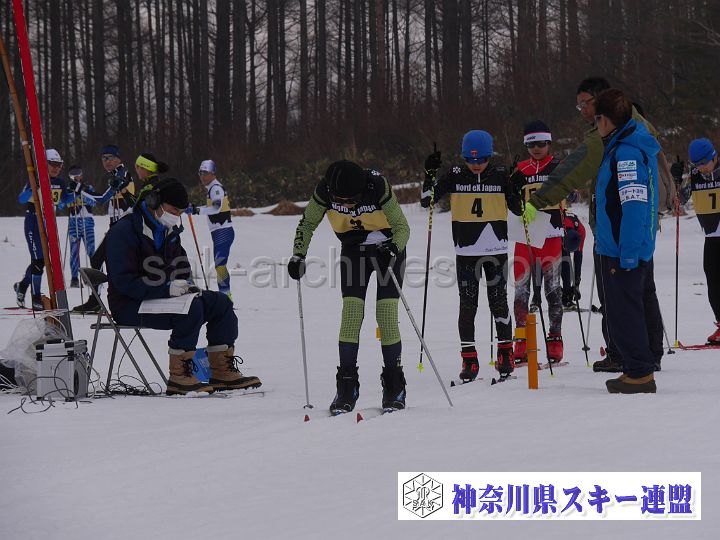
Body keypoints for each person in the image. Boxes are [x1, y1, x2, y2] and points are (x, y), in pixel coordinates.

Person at [524, 77, 666, 373]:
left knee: (618, 296)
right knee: (642, 290)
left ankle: (623, 355)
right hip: (641, 231)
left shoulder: (615, 141)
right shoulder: (638, 128)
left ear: (603, 105)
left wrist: (538, 200)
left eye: (585, 104)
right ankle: (649, 352)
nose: (583, 111)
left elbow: (573, 169)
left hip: (617, 234)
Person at [104, 177, 260, 395]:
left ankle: (222, 371)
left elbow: (181, 266)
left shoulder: (169, 230)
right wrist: (166, 288)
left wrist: (186, 285)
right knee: (191, 309)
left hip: (162, 298)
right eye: (173, 210)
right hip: (129, 304)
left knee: (220, 303)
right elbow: (124, 281)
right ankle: (179, 375)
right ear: (154, 201)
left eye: (180, 212)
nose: (176, 216)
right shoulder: (123, 231)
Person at [288, 160, 410, 413]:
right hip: (353, 251)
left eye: (352, 200)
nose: (347, 207)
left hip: (386, 250)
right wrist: (298, 255)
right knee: (351, 315)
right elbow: (307, 223)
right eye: (340, 201)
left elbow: (402, 227)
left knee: (386, 315)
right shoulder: (324, 190)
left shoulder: (377, 185)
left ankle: (394, 384)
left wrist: (393, 248)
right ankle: (346, 385)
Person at [421, 130, 519, 382]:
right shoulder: (455, 174)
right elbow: (426, 201)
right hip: (466, 252)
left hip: (495, 250)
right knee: (467, 305)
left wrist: (516, 183)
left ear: (490, 156)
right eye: (470, 160)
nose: (476, 165)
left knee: (499, 302)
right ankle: (469, 358)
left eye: (481, 160)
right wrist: (429, 174)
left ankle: (505, 353)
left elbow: (518, 208)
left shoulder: (500, 175)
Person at [594, 88, 659, 393]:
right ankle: (636, 368)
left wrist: (629, 254)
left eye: (597, 119)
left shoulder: (627, 154)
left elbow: (634, 206)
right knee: (622, 311)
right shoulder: (620, 147)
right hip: (619, 246)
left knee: (625, 312)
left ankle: (640, 373)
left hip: (623, 250)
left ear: (606, 120)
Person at [508, 121, 564, 365]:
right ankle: (521, 340)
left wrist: (571, 194)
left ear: (549, 143)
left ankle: (555, 338)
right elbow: (510, 198)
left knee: (553, 289)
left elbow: (571, 192)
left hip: (551, 234)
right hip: (526, 235)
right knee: (521, 291)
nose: (537, 148)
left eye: (541, 143)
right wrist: (509, 184)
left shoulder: (559, 167)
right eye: (531, 145)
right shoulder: (520, 169)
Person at [71, 144, 137, 313]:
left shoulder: (122, 174)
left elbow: (101, 199)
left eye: (110, 158)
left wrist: (79, 189)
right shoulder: (115, 174)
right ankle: (98, 300)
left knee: (99, 260)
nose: (107, 161)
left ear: (118, 159)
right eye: (103, 158)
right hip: (116, 225)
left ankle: (103, 300)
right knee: (103, 261)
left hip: (123, 226)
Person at [13, 149, 74, 310]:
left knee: (43, 260)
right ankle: (36, 297)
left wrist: (75, 191)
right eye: (52, 164)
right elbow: (21, 199)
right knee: (39, 261)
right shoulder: (35, 179)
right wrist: (35, 188)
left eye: (58, 165)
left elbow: (64, 201)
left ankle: (22, 286)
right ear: (44, 164)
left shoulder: (60, 182)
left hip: (49, 223)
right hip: (33, 222)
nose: (55, 168)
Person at [673, 139, 720, 344]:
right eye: (697, 164)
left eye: (704, 163)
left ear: (713, 156)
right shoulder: (694, 176)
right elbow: (678, 201)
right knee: (713, 281)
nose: (701, 168)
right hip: (711, 235)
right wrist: (675, 180)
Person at [186, 160, 235, 298]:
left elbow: (216, 208)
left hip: (223, 231)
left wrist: (196, 210)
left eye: (205, 173)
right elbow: (211, 207)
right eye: (200, 173)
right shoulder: (212, 188)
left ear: (213, 173)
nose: (202, 176)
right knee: (220, 266)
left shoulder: (216, 188)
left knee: (220, 265)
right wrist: (195, 208)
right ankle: (225, 296)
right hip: (219, 232)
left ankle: (226, 297)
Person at [65, 165, 97, 288]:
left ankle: (95, 276)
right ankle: (74, 278)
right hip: (73, 221)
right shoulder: (68, 189)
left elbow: (94, 202)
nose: (76, 177)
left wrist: (81, 193)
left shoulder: (88, 187)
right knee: (74, 251)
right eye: (73, 174)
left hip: (87, 220)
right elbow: (63, 204)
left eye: (78, 173)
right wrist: (73, 194)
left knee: (91, 250)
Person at [561, 210, 586, 310]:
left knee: (567, 259)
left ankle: (566, 293)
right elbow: (564, 263)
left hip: (569, 232)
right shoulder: (559, 228)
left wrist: (576, 284)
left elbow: (578, 259)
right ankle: (563, 292)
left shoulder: (581, 232)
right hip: (554, 230)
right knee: (564, 260)